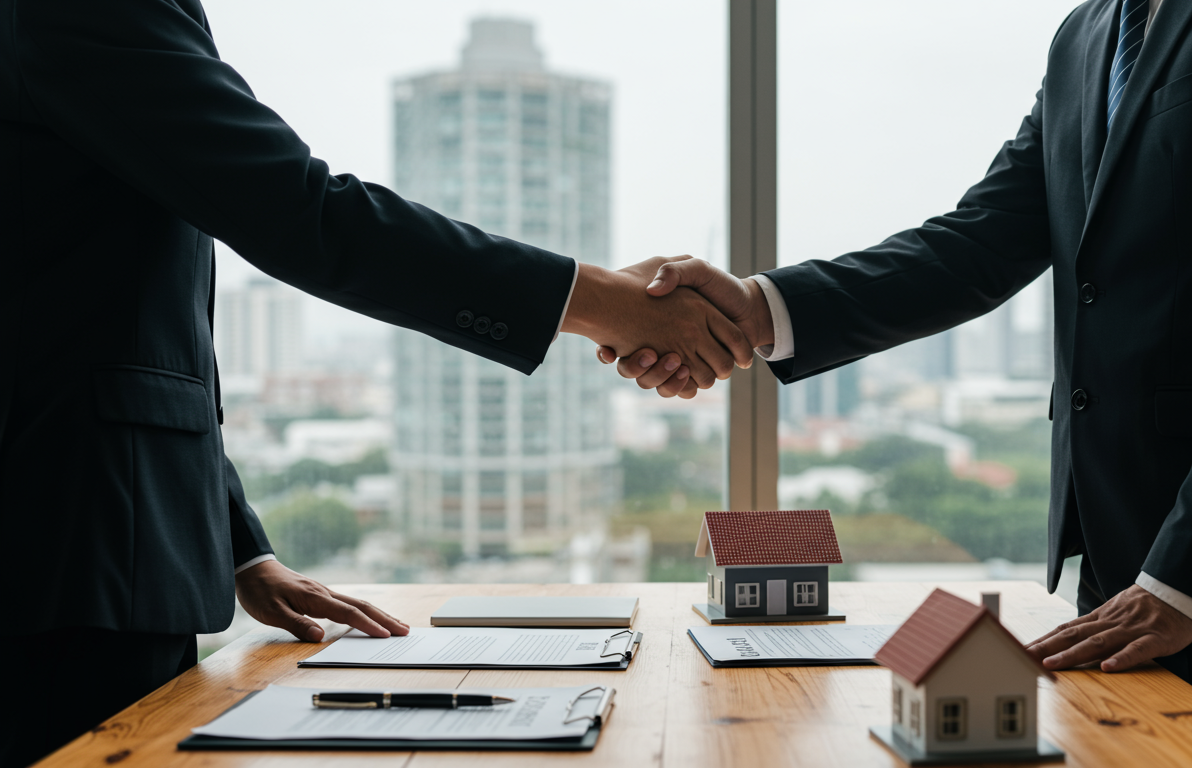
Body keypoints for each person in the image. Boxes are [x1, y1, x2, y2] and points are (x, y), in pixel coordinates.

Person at [606, 0, 1192, 765]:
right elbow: (980, 243)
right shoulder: (1087, 34)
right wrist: (755, 308)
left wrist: (1188, 579)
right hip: (1118, 568)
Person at [0, 1, 747, 765]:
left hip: (93, 545)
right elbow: (300, 209)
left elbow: (107, 323)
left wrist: (238, 548)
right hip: (59, 550)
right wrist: (596, 304)